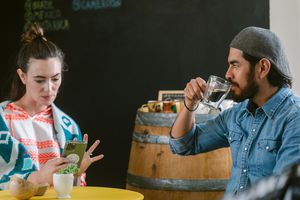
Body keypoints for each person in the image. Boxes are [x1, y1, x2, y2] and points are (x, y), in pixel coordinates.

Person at [169, 26, 300, 194]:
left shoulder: (294, 118)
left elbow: (283, 194)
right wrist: (190, 104)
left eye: (235, 65)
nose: (228, 74)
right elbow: (184, 145)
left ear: (263, 68)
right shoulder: (237, 114)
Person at [0, 23, 104, 190]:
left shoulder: (68, 127)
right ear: (22, 76)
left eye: (55, 79)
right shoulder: (2, 120)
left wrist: (76, 174)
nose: (49, 89)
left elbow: (74, 190)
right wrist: (38, 177)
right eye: (40, 80)